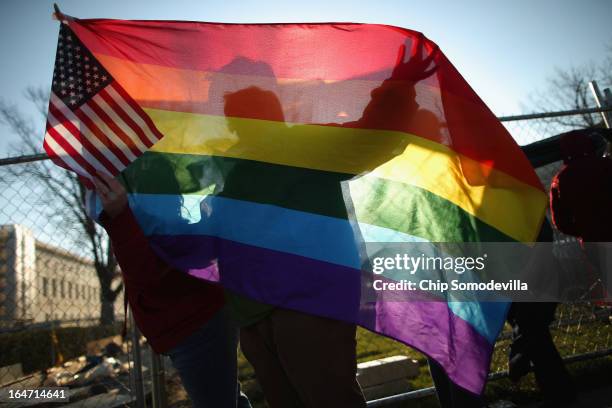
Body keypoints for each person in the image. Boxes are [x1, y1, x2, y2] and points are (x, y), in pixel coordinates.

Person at [92, 169, 251, 408]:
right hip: (199, 322)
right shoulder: (167, 230)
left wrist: (121, 217)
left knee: (219, 400)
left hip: (197, 326)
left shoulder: (164, 232)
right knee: (227, 396)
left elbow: (146, 272)